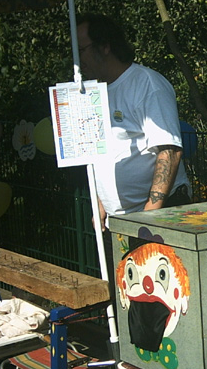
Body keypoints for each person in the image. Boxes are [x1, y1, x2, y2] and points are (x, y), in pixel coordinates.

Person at [76, 13, 191, 233]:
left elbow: (170, 150)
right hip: (120, 220)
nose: (78, 59)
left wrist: (149, 216)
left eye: (82, 50)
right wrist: (102, 204)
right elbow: (106, 152)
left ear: (105, 46)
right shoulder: (96, 93)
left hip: (157, 217)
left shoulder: (147, 84)